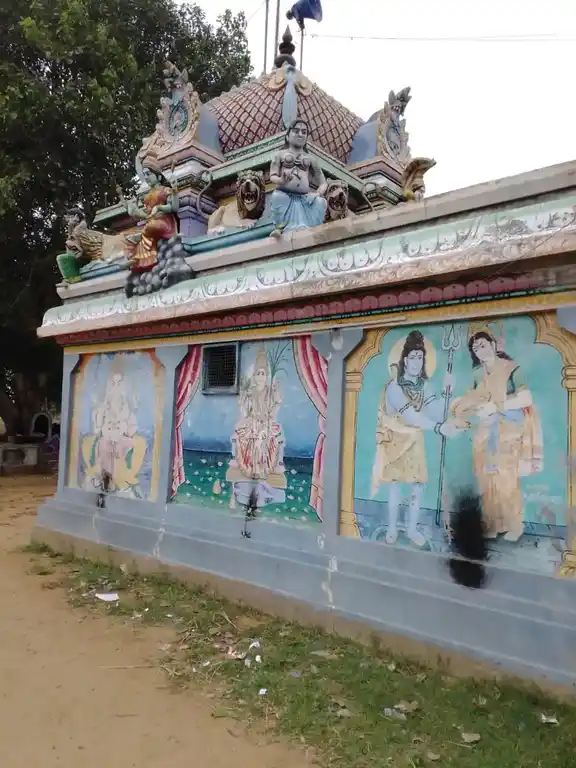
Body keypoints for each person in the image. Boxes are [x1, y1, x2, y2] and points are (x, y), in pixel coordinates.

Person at [371, 330, 463, 546]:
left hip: (415, 443)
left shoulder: (424, 387)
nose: (416, 362)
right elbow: (411, 417)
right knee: (395, 486)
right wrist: (440, 429)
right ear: (404, 360)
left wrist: (446, 391)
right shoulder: (395, 387)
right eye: (412, 357)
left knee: (416, 487)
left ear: (424, 361)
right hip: (396, 441)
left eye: (420, 357)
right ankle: (393, 529)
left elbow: (437, 413)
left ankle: (412, 529)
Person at [451, 329, 543, 541]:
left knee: (506, 479)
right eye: (475, 348)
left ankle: (514, 526)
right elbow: (471, 400)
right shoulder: (477, 375)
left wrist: (495, 406)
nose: (480, 350)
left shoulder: (512, 368)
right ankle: (492, 525)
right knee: (486, 480)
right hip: (484, 431)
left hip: (507, 431)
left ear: (493, 345)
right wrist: (460, 408)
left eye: (482, 345)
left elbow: (526, 398)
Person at [269, 119, 327, 236]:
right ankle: (280, 228)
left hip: (306, 198)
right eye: (296, 131)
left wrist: (317, 194)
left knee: (321, 202)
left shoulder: (311, 159)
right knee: (276, 197)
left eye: (304, 132)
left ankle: (313, 229)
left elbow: (323, 182)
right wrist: (281, 180)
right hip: (284, 195)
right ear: (287, 136)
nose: (300, 134)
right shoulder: (279, 155)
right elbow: (272, 176)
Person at [121, 158, 179, 271]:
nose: (146, 177)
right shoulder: (147, 197)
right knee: (127, 237)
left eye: (148, 174)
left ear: (158, 176)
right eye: (144, 175)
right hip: (150, 224)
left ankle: (138, 249)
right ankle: (136, 258)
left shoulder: (165, 190)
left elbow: (174, 207)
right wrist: (135, 211)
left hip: (165, 223)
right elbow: (147, 214)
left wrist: (161, 205)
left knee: (151, 227)